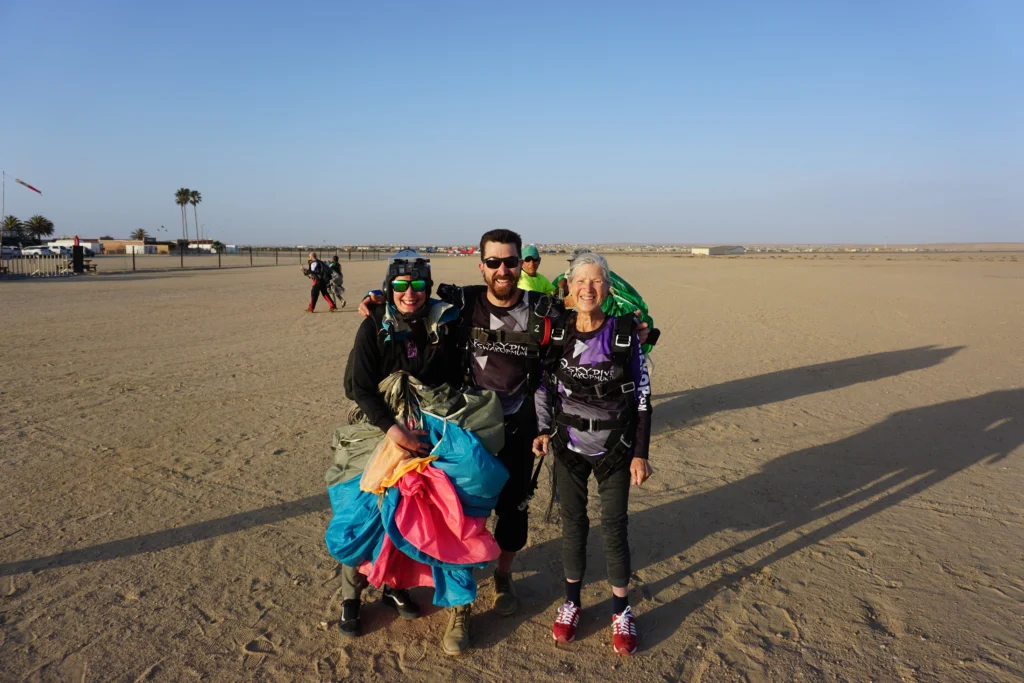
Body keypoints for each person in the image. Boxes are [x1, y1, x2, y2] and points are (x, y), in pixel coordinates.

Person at [359, 231, 569, 631]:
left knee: (513, 509)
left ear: (519, 263)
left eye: (510, 261)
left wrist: (633, 330)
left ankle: (503, 576)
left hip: (518, 425)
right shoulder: (462, 301)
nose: (503, 270)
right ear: (482, 266)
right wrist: (378, 300)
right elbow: (411, 300)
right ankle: (460, 602)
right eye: (494, 263)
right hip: (465, 427)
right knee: (460, 516)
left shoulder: (543, 309)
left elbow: (582, 327)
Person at [341, 250, 467, 647]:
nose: (409, 293)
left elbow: (452, 377)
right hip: (381, 432)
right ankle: (350, 597)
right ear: (388, 287)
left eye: (417, 285)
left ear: (428, 287)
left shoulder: (443, 323)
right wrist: (394, 432)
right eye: (399, 285)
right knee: (365, 513)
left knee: (415, 514)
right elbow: (357, 386)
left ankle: (393, 585)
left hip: (427, 433)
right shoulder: (375, 324)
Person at [532, 251, 653, 656]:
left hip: (616, 449)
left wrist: (640, 453)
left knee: (614, 527)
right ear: (567, 285)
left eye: (597, 280)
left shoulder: (623, 335)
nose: (588, 288)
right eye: (580, 280)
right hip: (568, 447)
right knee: (572, 524)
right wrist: (543, 429)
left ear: (607, 287)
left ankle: (621, 608)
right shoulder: (559, 331)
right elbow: (544, 386)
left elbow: (641, 398)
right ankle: (572, 602)